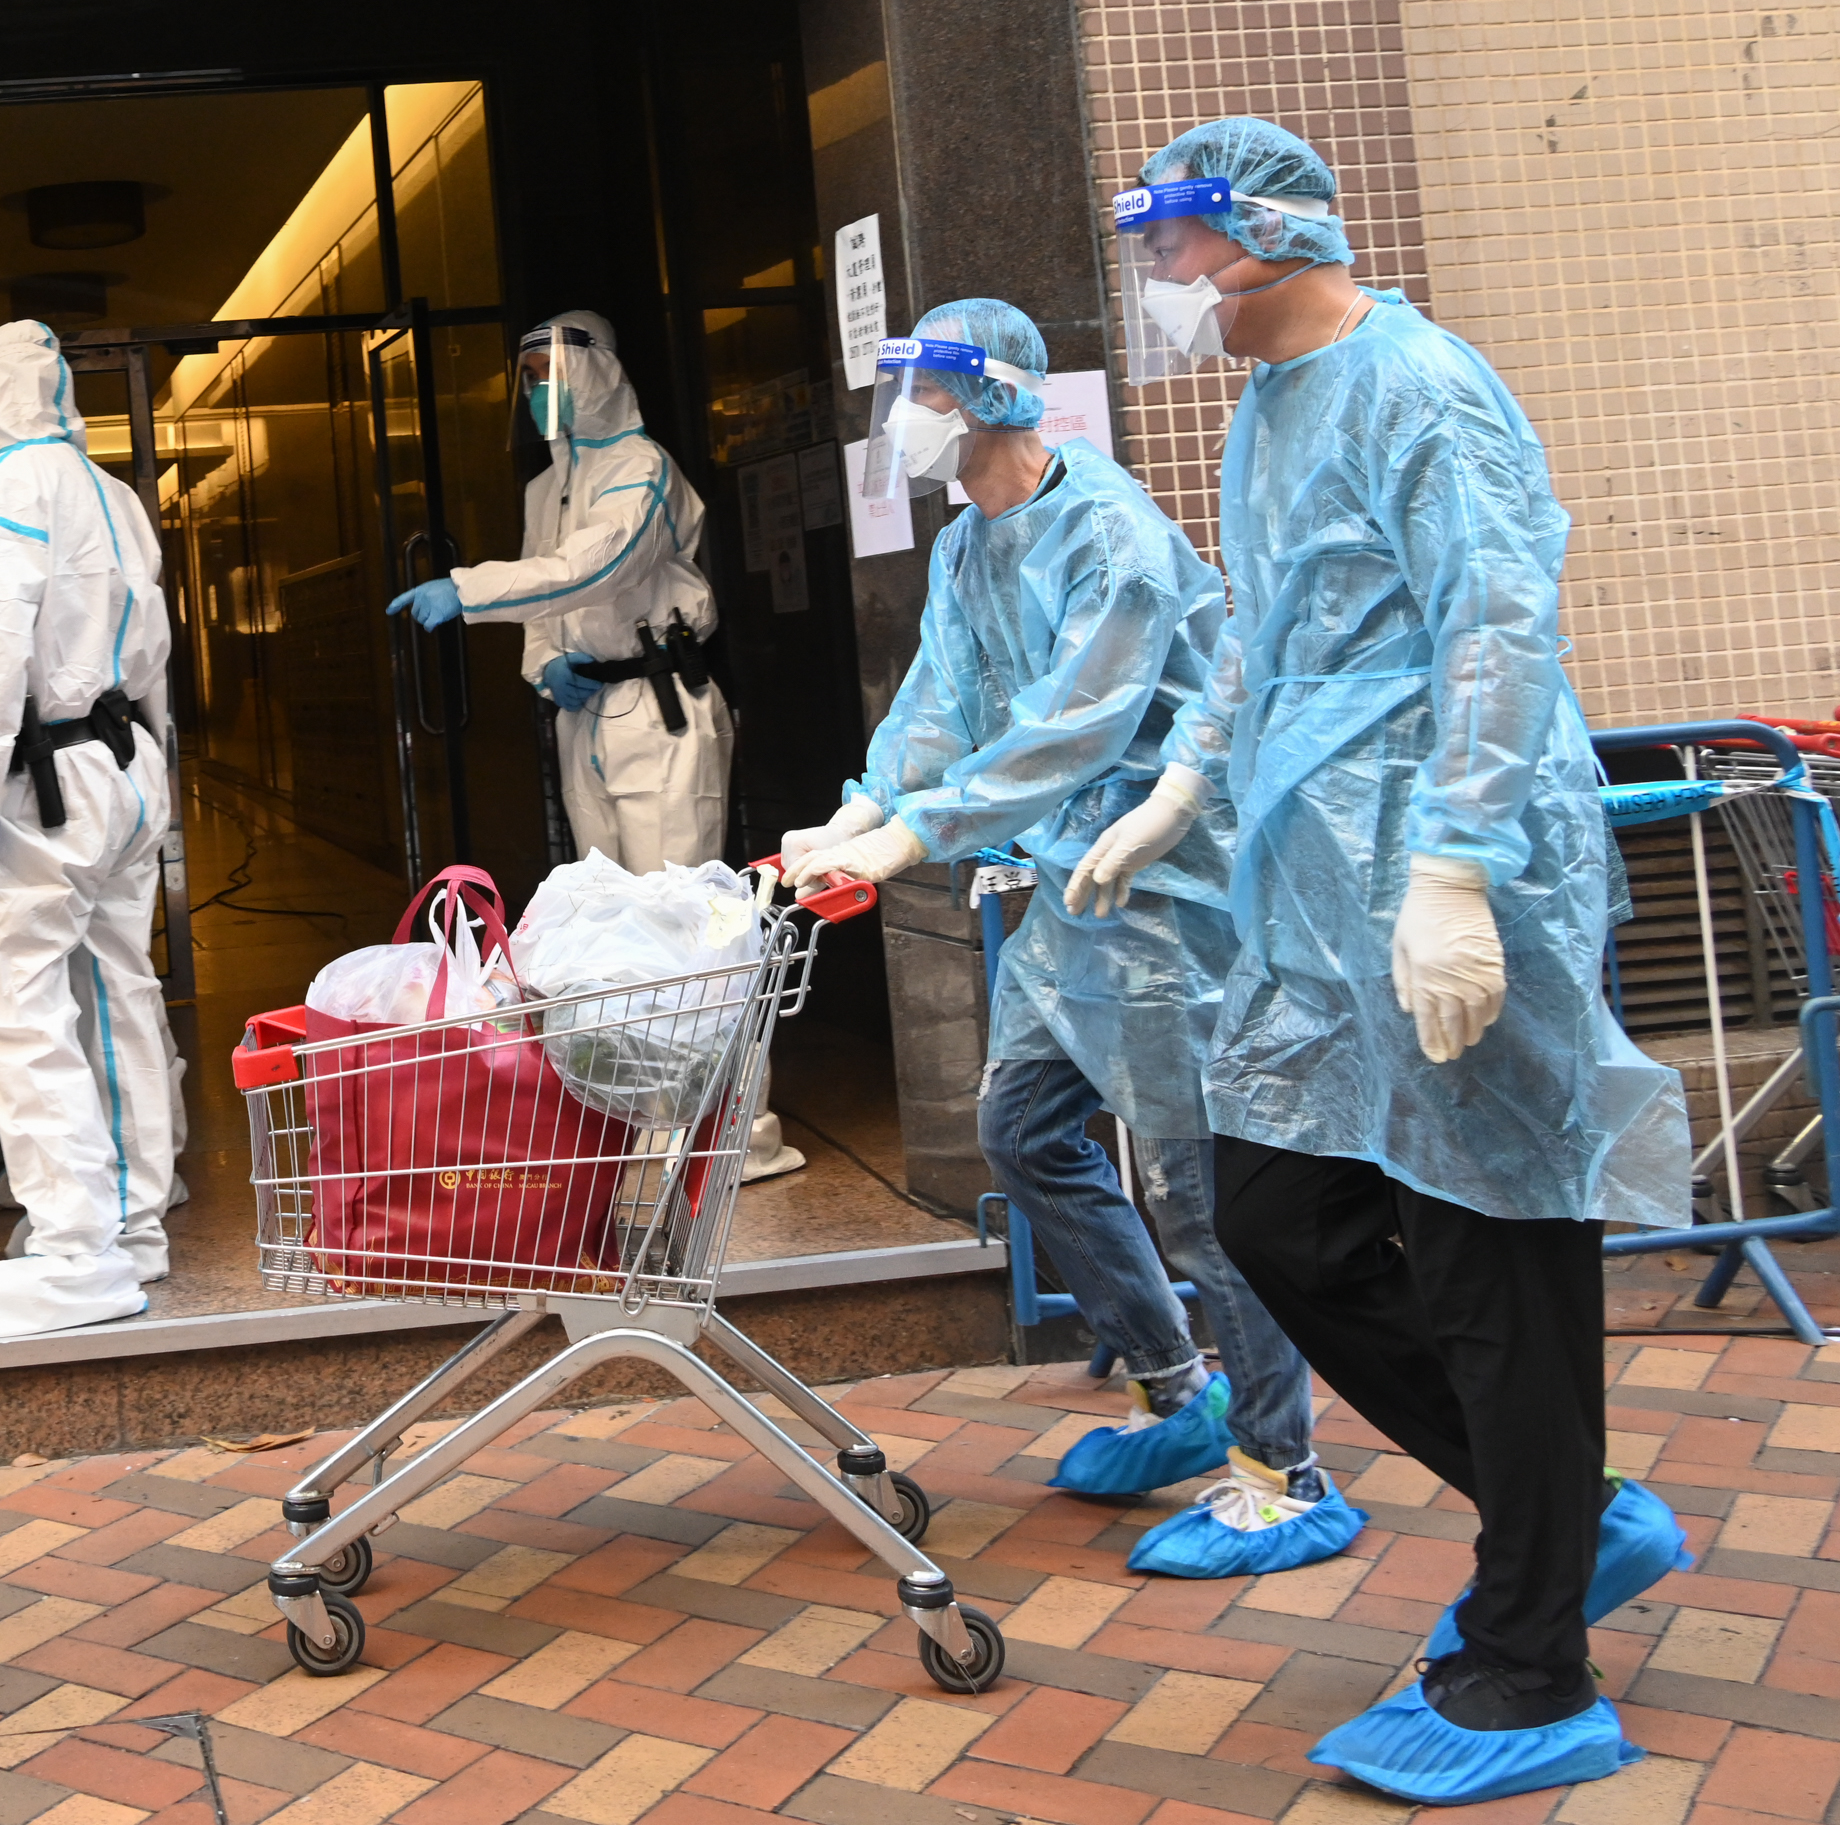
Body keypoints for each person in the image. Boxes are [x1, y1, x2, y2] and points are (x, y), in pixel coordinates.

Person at [1072, 116, 1692, 1805]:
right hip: (1316, 898)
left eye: (1174, 248)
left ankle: (1530, 1660)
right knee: (1280, 1214)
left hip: (1452, 882)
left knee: (1495, 1260)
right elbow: (1259, 635)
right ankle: (1568, 1515)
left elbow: (1497, 622)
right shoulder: (1270, 407)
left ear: (1264, 236)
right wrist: (1186, 784)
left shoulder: (1422, 387)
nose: (1161, 284)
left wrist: (1459, 871)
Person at [783, 301, 1351, 1577]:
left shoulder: (1111, 535)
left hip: (1165, 890)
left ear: (991, 397)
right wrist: (864, 804)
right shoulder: (969, 541)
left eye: (926, 392)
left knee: (1198, 1189)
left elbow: (1072, 726)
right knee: (1024, 1129)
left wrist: (912, 835)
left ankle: (1285, 1469)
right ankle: (1177, 1387)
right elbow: (941, 698)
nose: (904, 421)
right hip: (1069, 882)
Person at [387, 310, 800, 1177]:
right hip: (590, 717)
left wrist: (467, 590)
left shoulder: (643, 469)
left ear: (599, 372)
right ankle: (646, 1111)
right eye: (530, 377)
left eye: (554, 372)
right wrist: (545, 669)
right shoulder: (547, 487)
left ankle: (735, 1129)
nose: (542, 390)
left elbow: (599, 566)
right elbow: (547, 602)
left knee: (689, 921)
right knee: (608, 927)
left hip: (661, 707)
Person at [0, 320, 182, 1339]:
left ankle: (75, 1243)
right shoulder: (112, 492)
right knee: (120, 992)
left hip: (43, 777)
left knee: (18, 1006)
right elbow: (154, 641)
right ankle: (136, 1224)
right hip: (124, 761)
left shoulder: (3, 486)